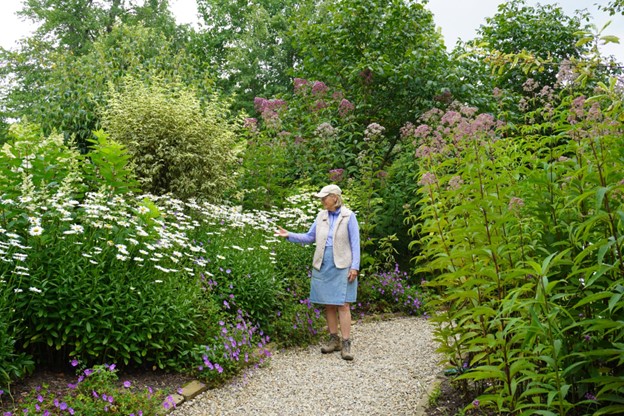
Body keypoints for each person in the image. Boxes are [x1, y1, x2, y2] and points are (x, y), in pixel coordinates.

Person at [275, 184, 360, 360]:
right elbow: (309, 237)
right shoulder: (321, 216)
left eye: (324, 197)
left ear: (335, 198)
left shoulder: (349, 216)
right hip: (323, 263)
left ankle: (346, 344)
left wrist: (355, 267)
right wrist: (289, 235)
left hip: (343, 263)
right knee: (328, 303)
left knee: (343, 304)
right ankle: (333, 340)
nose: (322, 201)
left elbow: (355, 243)